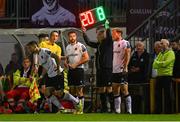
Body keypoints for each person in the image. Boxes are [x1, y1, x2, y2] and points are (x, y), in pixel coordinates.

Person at [26, 41, 81, 113]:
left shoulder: (44, 51)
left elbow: (56, 57)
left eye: (30, 48)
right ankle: (61, 108)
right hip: (50, 75)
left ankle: (76, 101)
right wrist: (41, 76)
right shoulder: (36, 55)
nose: (29, 50)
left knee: (59, 94)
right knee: (47, 92)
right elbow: (45, 67)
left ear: (34, 46)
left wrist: (58, 68)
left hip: (57, 74)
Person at [83, 21, 114, 113]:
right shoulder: (98, 44)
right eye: (99, 34)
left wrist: (107, 26)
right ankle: (104, 108)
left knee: (109, 88)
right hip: (99, 70)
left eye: (100, 34)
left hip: (107, 68)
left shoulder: (108, 42)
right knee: (101, 88)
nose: (98, 36)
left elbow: (109, 35)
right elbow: (88, 42)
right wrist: (84, 33)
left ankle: (112, 108)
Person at [65, 31, 89, 114]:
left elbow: (86, 58)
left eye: (73, 36)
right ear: (68, 37)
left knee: (79, 90)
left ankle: (81, 109)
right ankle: (76, 109)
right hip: (71, 71)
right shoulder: (67, 47)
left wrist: (76, 64)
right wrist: (66, 62)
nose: (72, 38)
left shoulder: (81, 46)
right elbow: (67, 59)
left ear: (76, 37)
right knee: (71, 90)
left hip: (79, 70)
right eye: (70, 36)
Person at [111, 28, 132, 114]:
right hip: (114, 70)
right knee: (115, 90)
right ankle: (117, 110)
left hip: (122, 69)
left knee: (124, 89)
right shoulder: (113, 43)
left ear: (119, 34)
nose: (112, 35)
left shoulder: (125, 43)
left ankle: (129, 110)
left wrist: (125, 67)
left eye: (113, 33)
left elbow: (128, 55)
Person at [153, 39, 175, 114]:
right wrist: (161, 64)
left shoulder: (171, 53)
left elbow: (166, 63)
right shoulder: (160, 53)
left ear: (167, 44)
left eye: (162, 43)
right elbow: (154, 65)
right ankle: (158, 111)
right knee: (157, 94)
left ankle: (168, 111)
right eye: (160, 43)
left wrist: (159, 63)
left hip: (167, 76)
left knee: (167, 95)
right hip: (159, 76)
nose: (160, 44)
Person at [128, 41, 151, 114]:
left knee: (144, 96)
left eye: (140, 46)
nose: (138, 47)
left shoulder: (147, 55)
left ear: (143, 47)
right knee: (134, 96)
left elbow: (147, 66)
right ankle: (135, 111)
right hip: (134, 79)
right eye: (137, 46)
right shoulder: (134, 55)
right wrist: (131, 69)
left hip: (143, 79)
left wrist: (139, 69)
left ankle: (144, 111)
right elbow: (129, 64)